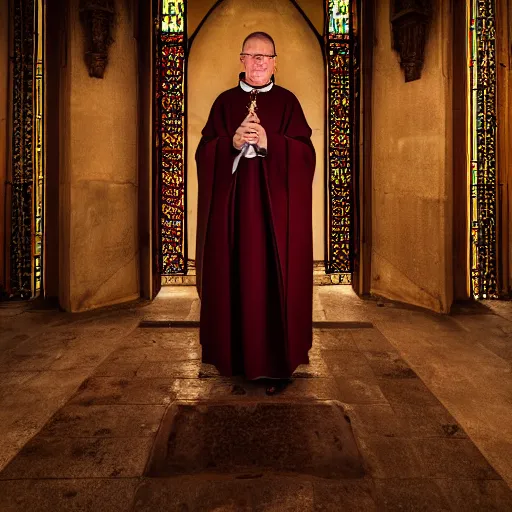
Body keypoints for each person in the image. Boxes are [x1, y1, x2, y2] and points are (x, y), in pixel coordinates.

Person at [195, 32, 315, 394]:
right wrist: (229, 144)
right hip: (233, 216)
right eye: (252, 55)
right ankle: (234, 359)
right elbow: (204, 153)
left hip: (276, 218)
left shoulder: (288, 103)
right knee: (234, 277)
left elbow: (307, 156)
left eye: (266, 56)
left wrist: (270, 144)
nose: (259, 62)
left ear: (276, 62)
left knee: (273, 282)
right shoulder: (224, 103)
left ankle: (276, 362)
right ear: (241, 60)